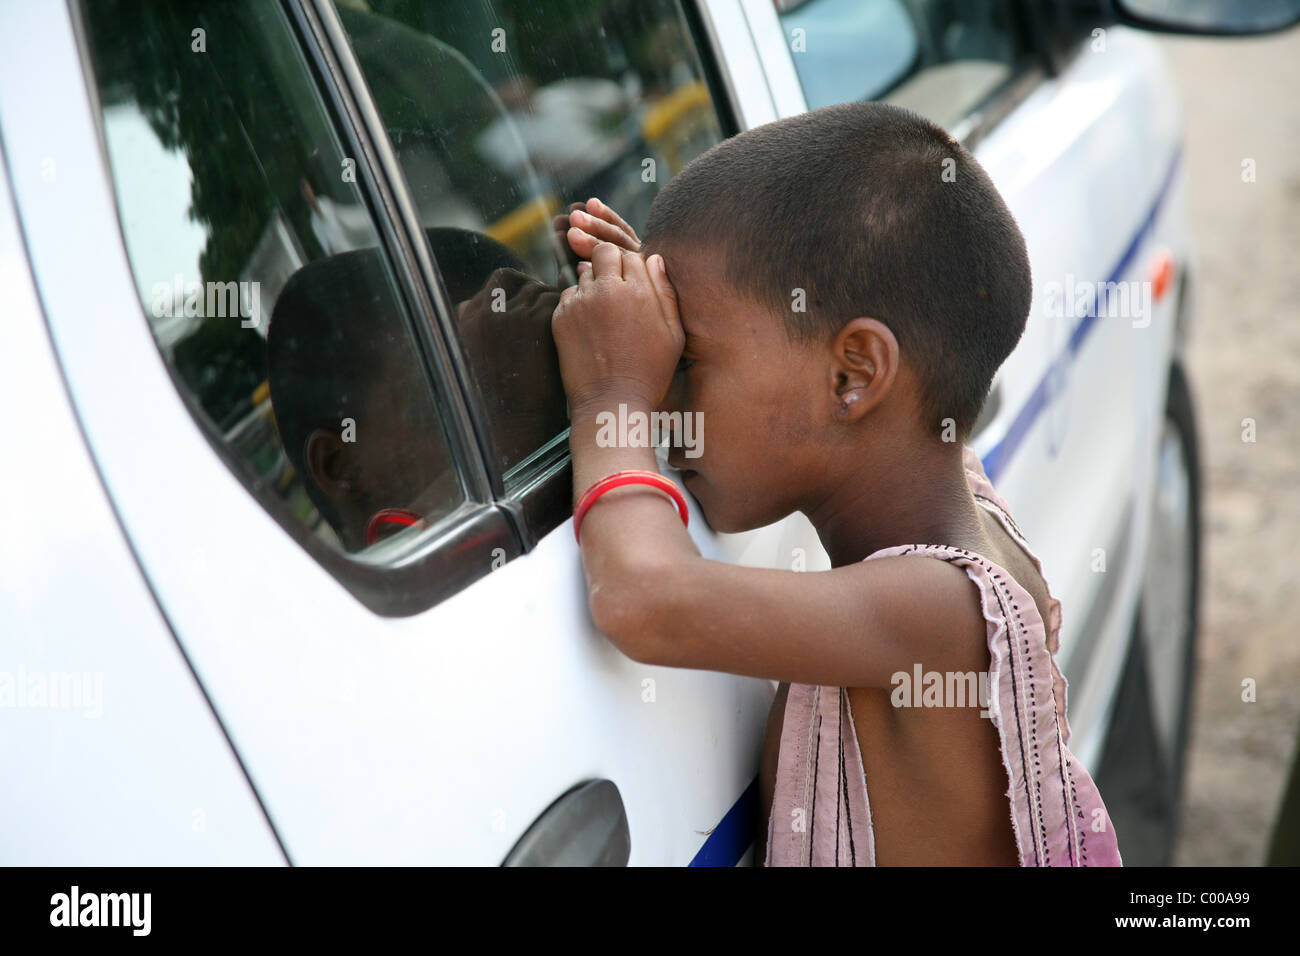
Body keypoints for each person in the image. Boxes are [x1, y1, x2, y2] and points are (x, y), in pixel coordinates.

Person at [551, 101, 1124, 866]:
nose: (666, 410)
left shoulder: (940, 610)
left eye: (686, 360)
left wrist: (609, 394)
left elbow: (643, 599)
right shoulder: (948, 484)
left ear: (854, 375)